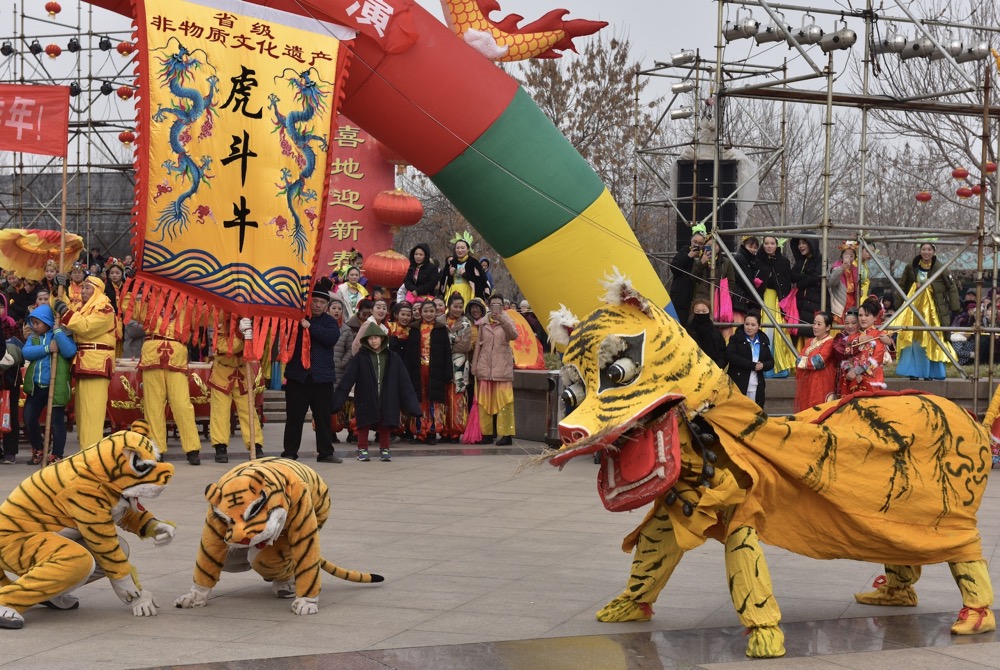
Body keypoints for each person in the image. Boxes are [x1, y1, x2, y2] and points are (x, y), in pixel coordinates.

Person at [334, 321, 423, 462]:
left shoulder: (393, 357)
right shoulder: (360, 357)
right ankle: (362, 449)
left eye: (376, 337)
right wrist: (337, 402)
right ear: (365, 340)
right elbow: (347, 379)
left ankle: (385, 449)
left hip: (388, 396)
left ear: (382, 338)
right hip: (366, 396)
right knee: (363, 423)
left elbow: (404, 382)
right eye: (370, 338)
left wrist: (413, 407)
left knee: (385, 423)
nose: (373, 340)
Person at [136, 293, 203, 464]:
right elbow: (130, 310)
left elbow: (202, 318)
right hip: (152, 356)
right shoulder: (150, 301)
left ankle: (192, 448)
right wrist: (133, 285)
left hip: (176, 357)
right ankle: (157, 449)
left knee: (182, 405)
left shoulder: (187, 304)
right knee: (153, 406)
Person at [54, 273, 116, 451]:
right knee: (82, 413)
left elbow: (86, 327)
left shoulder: (105, 308)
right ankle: (86, 451)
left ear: (97, 291)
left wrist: (65, 312)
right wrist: (58, 289)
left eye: (88, 288)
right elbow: (62, 307)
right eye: (82, 287)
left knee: (92, 412)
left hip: (96, 364)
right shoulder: (83, 307)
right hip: (84, 363)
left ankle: (91, 453)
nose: (83, 291)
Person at [282, 280, 342, 463]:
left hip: (321, 378)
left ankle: (326, 453)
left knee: (323, 418)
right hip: (297, 377)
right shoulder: (295, 319)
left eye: (322, 302)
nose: (317, 305)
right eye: (314, 301)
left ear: (326, 305)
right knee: (294, 417)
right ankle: (290, 453)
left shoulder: (330, 322)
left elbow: (331, 338)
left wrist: (310, 326)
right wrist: (301, 323)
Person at [891, 242, 960, 380]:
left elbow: (951, 287)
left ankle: (930, 372)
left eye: (929, 249)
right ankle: (914, 371)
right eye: (923, 249)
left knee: (932, 336)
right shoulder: (911, 267)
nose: (926, 252)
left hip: (933, 310)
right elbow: (902, 286)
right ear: (920, 250)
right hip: (914, 307)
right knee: (912, 336)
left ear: (934, 251)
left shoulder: (941, 268)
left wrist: (955, 306)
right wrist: (898, 305)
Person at [22, 305, 77, 464]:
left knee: (56, 422)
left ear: (47, 322)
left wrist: (58, 331)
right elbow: (26, 353)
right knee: (29, 418)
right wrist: (47, 348)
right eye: (32, 322)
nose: (34, 326)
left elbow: (69, 351)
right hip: (37, 387)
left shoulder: (60, 335)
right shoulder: (33, 338)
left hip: (56, 388)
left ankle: (57, 454)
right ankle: (38, 448)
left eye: (37, 322)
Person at [208, 314, 263, 463]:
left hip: (243, 373)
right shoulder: (220, 323)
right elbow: (224, 348)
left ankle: (256, 445)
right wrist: (239, 334)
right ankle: (220, 447)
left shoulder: (252, 323)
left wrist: (252, 335)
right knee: (220, 412)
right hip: (222, 373)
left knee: (248, 411)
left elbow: (258, 349)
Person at [471, 294, 518, 445]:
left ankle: (506, 434)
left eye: (498, 304)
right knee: (485, 402)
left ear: (503, 306)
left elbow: (514, 335)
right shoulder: (483, 322)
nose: (495, 307)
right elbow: (479, 344)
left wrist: (503, 320)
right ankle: (487, 433)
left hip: (501, 368)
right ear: (489, 306)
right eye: (493, 304)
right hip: (485, 367)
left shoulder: (507, 320)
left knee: (505, 402)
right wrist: (474, 365)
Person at [404, 299, 451, 444]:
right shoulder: (413, 329)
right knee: (419, 401)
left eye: (431, 311)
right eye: (425, 311)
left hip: (435, 371)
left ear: (436, 312)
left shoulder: (441, 329)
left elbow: (446, 353)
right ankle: (419, 432)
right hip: (417, 371)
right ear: (420, 313)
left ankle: (431, 432)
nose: (428, 314)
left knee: (433, 402)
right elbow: (408, 353)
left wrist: (448, 373)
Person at [752, 236, 795, 377]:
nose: (769, 246)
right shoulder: (757, 261)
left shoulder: (783, 262)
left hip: (778, 301)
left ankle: (780, 367)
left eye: (772, 243)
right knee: (765, 330)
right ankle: (763, 367)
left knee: (779, 332)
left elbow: (786, 283)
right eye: (766, 243)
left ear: (777, 245)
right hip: (763, 299)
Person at [333, 298, 371, 443]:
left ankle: (351, 431)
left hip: (345, 369)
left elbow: (350, 349)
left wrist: (342, 362)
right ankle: (328, 431)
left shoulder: (346, 329)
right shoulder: (352, 326)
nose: (337, 311)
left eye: (339, 309)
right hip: (328, 369)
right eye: (364, 313)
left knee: (348, 403)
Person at [843, 297, 894, 393]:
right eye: (860, 315)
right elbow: (846, 353)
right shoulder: (854, 335)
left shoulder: (879, 335)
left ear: (875, 317)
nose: (863, 318)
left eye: (867, 315)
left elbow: (876, 359)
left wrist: (856, 371)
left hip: (871, 378)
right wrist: (851, 371)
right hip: (852, 377)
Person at [441, 293, 472, 442]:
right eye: (455, 306)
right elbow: (438, 344)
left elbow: (465, 346)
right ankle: (444, 430)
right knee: (444, 397)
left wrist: (448, 343)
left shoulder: (466, 323)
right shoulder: (440, 321)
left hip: (459, 365)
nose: (458, 309)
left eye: (460, 306)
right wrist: (455, 340)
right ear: (449, 306)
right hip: (442, 364)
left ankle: (456, 430)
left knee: (457, 397)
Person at [726, 310, 774, 408]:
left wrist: (763, 366)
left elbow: (771, 362)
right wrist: (752, 365)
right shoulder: (736, 339)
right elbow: (730, 356)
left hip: (757, 385)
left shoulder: (763, 341)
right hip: (738, 383)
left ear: (758, 326)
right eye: (747, 324)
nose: (749, 327)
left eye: (753, 325)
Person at [793, 311, 837, 412]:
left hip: (822, 384)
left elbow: (818, 362)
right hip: (808, 383)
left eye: (819, 324)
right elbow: (798, 360)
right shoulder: (810, 341)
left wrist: (805, 361)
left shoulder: (830, 343)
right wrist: (807, 362)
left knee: (820, 410)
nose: (815, 327)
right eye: (814, 323)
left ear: (828, 327)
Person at [668, 225, 709, 326]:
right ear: (691, 240)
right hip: (681, 297)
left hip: (698, 298)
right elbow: (674, 268)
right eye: (695, 242)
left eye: (700, 243)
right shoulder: (684, 251)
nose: (697, 245)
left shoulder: (705, 256)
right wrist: (689, 256)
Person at [789, 234, 825, 346]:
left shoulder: (820, 258)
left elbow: (816, 277)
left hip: (814, 301)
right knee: (798, 333)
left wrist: (799, 283)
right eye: (799, 243)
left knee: (812, 332)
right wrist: (808, 277)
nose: (800, 246)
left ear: (811, 244)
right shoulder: (800, 261)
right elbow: (792, 276)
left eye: (804, 243)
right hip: (800, 303)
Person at [439, 232, 489, 306]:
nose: (460, 250)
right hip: (453, 291)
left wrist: (465, 274)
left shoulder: (473, 262)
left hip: (468, 291)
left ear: (468, 249)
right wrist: (449, 274)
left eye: (462, 248)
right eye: (458, 248)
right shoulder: (451, 263)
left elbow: (481, 279)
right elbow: (444, 281)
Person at [0, 338, 23, 464]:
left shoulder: (12, 324)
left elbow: (21, 349)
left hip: (9, 378)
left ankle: (10, 452)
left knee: (10, 415)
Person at [685, 298, 726, 369]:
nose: (701, 313)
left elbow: (723, 353)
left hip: (713, 370)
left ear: (709, 312)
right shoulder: (687, 331)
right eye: (697, 311)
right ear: (693, 312)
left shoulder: (716, 332)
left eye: (704, 311)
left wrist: (717, 368)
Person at [829, 243, 859, 324]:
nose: (849, 258)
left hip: (852, 300)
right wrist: (842, 268)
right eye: (847, 255)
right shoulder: (836, 267)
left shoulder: (855, 269)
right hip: (840, 299)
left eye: (851, 256)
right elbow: (832, 282)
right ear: (842, 256)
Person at [834, 308, 861, 398]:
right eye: (847, 323)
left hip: (861, 374)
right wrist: (858, 342)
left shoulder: (865, 336)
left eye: (854, 323)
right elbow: (838, 352)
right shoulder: (840, 337)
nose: (850, 326)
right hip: (843, 374)